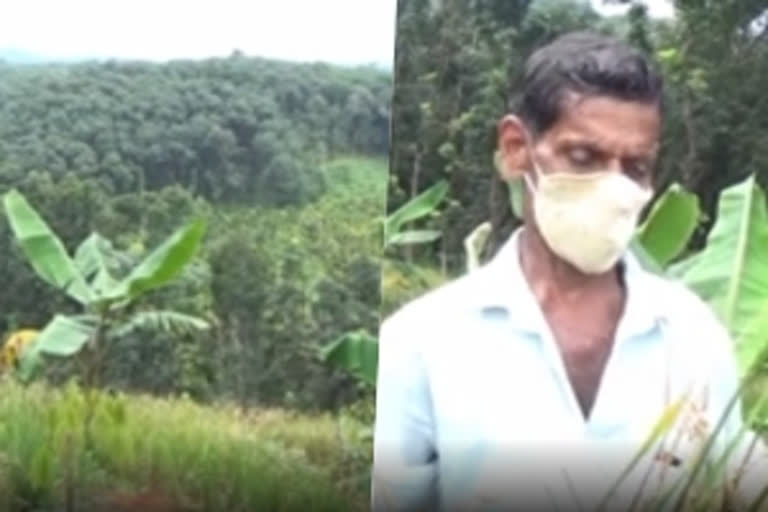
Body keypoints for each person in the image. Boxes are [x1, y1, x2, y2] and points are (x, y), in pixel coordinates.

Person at [371, 31, 765, 511]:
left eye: (636, 167)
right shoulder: (422, 343)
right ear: (517, 148)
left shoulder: (695, 337)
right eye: (584, 158)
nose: (615, 188)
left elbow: (734, 489)